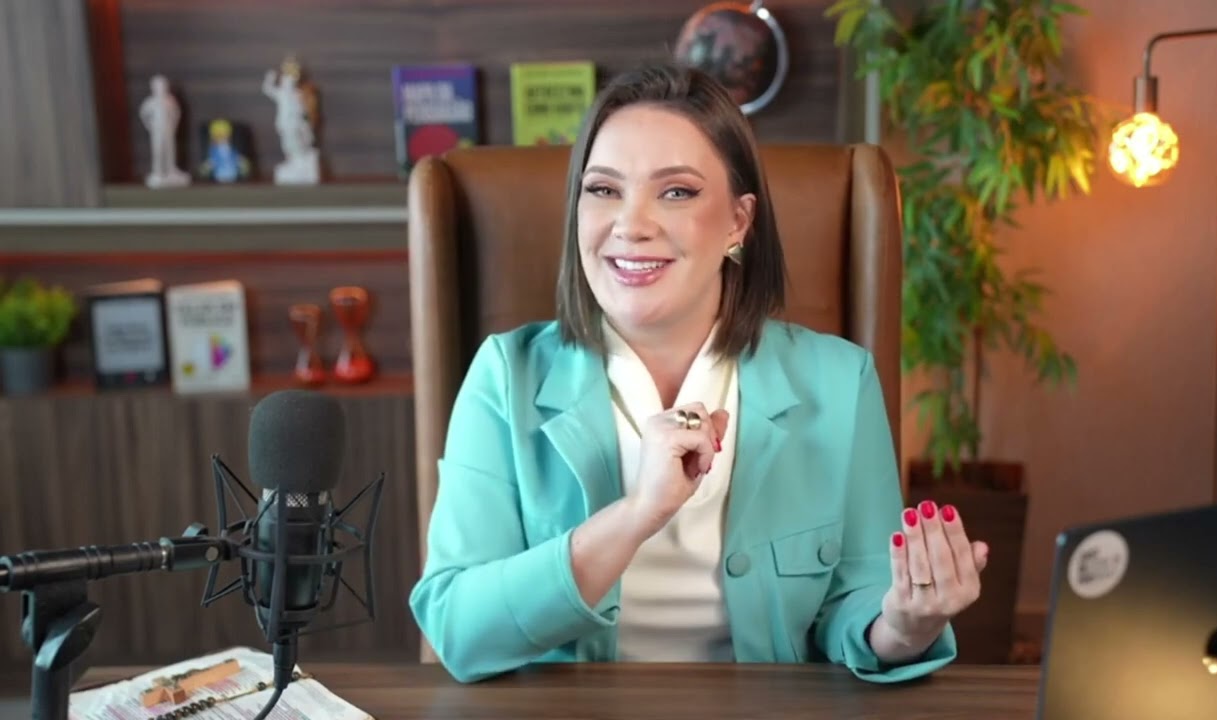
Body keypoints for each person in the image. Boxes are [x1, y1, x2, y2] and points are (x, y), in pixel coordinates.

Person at [408, 61, 990, 684]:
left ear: (739, 221)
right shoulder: (506, 376)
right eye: (603, 190)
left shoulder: (840, 381)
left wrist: (903, 626)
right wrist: (636, 514)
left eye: (676, 192)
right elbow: (457, 629)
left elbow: (855, 605)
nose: (631, 225)